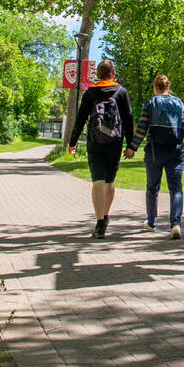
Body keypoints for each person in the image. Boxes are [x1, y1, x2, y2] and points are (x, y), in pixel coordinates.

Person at [66, 60, 135, 238]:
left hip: (94, 142)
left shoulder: (90, 93)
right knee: (109, 182)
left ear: (98, 74)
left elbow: (80, 120)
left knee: (97, 182)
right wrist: (131, 146)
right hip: (115, 142)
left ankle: (99, 225)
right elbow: (128, 120)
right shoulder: (121, 92)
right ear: (114, 73)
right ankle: (105, 217)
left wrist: (72, 142)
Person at [131, 74, 184, 239]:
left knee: (152, 187)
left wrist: (133, 147)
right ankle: (175, 224)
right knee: (176, 188)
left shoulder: (151, 103)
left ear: (155, 87)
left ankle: (151, 222)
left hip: (155, 151)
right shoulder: (179, 103)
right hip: (177, 150)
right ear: (168, 86)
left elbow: (142, 127)